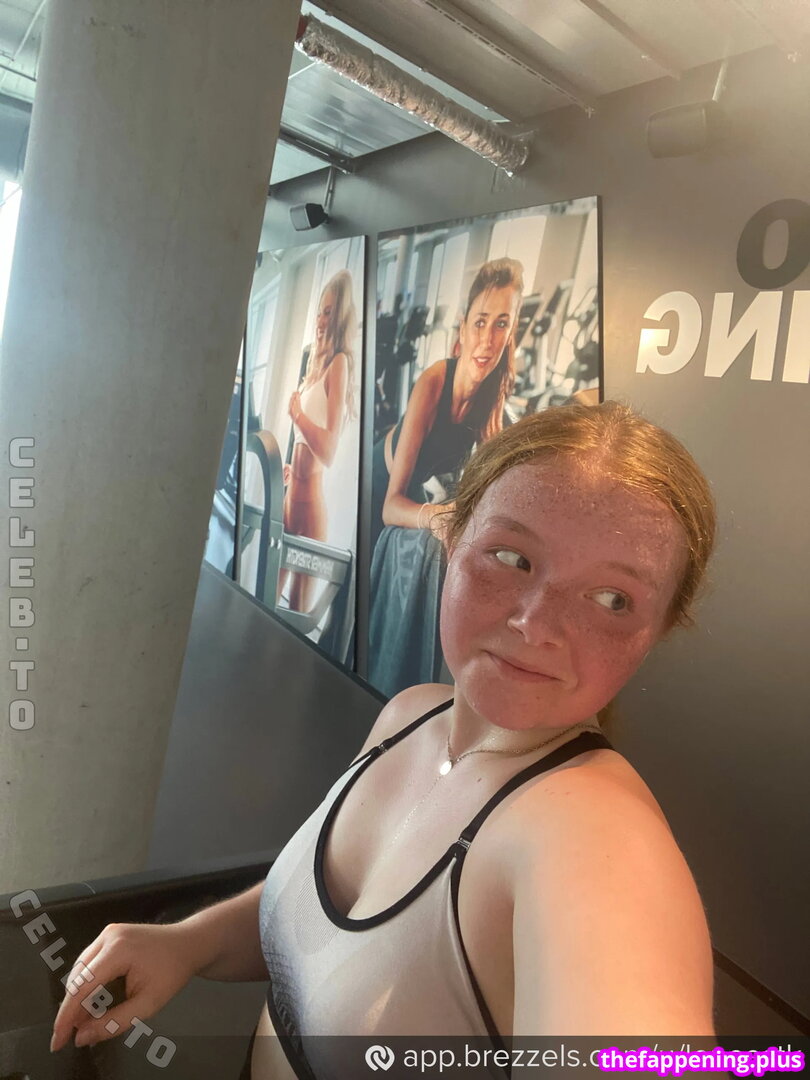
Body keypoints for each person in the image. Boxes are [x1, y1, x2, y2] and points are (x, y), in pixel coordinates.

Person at [50, 402, 718, 1077]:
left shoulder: (596, 842)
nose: (536, 623)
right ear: (452, 539)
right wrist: (189, 943)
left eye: (612, 600)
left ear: (658, 631)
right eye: (513, 557)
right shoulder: (410, 716)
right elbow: (316, 930)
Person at [370, 257, 524, 552]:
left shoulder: (492, 397)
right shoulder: (434, 381)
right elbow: (391, 507)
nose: (487, 340)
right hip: (379, 488)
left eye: (501, 324)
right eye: (480, 322)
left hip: (413, 493)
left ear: (510, 333)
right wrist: (439, 516)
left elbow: (492, 489)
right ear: (463, 329)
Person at [278, 269, 356, 614]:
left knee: (295, 613)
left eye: (329, 312)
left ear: (341, 318)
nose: (321, 320)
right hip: (289, 501)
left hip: (310, 511)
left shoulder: (339, 364)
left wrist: (297, 415)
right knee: (267, 599)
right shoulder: (316, 365)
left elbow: (328, 450)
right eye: (320, 312)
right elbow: (305, 441)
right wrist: (291, 466)